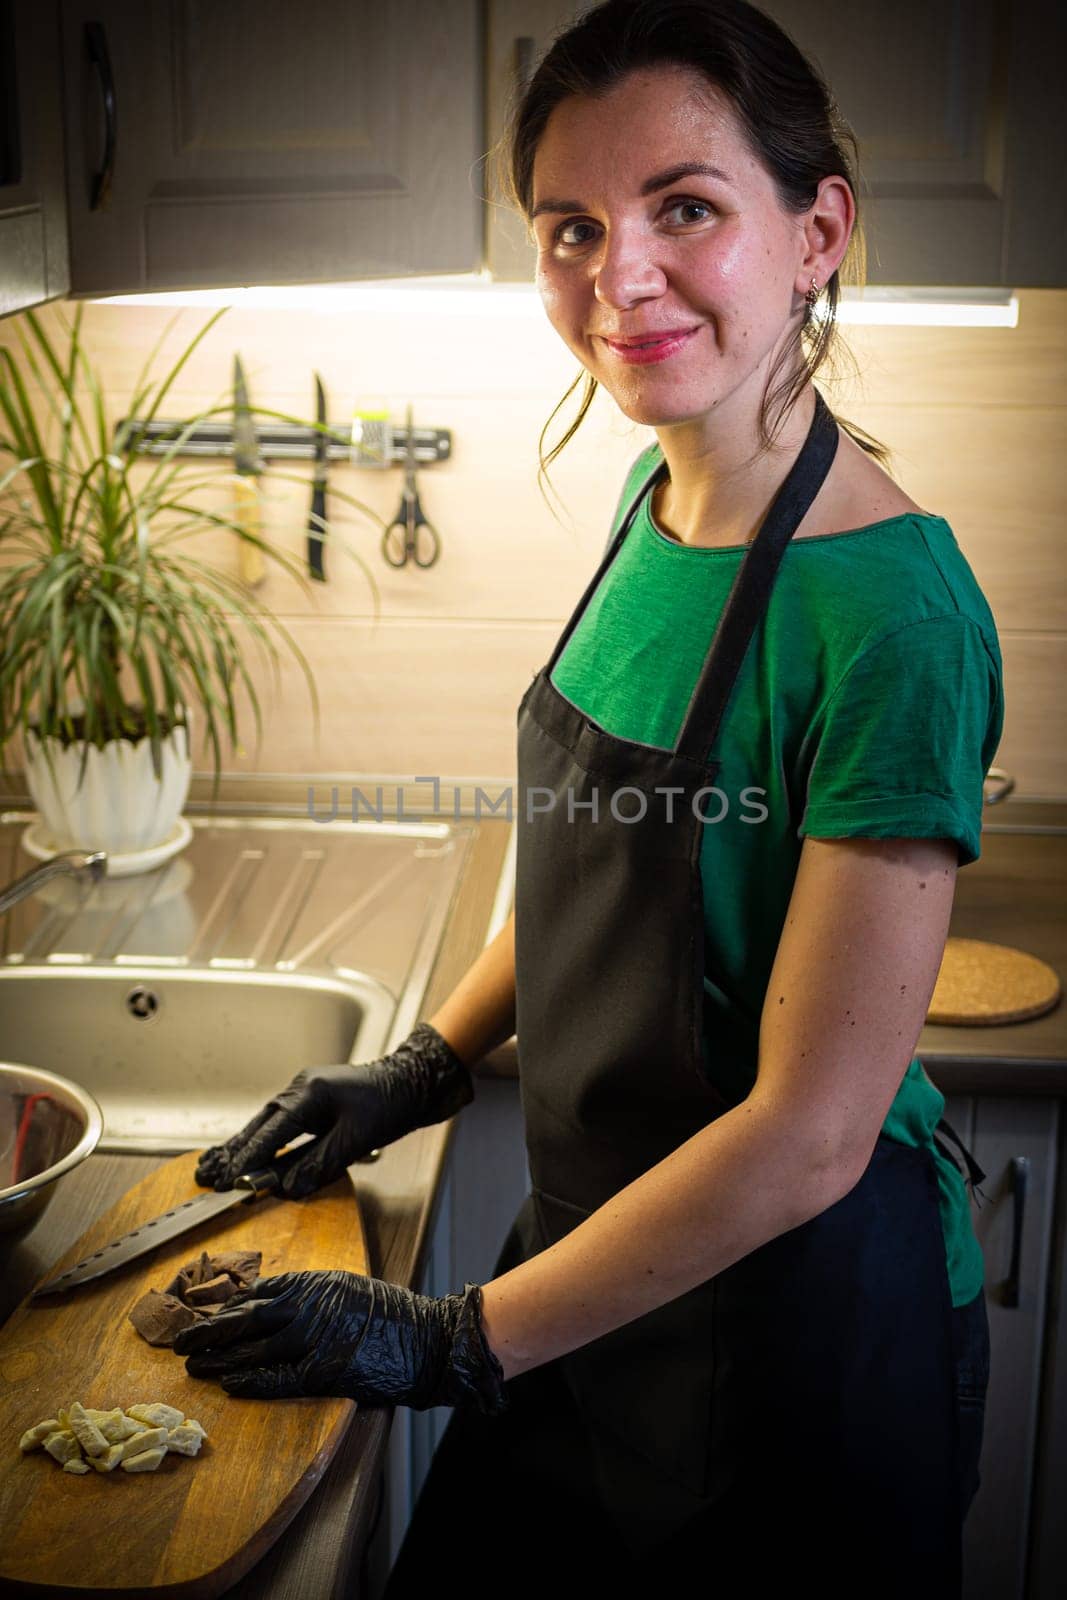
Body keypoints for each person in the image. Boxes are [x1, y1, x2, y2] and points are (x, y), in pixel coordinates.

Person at [177, 2, 1003, 1594]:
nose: (618, 278)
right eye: (573, 226)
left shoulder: (896, 616)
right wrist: (425, 1064)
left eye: (685, 207)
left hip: (799, 1341)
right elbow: (588, 855)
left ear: (816, 228)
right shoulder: (655, 493)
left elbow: (813, 1137)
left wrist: (448, 1340)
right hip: (583, 1283)